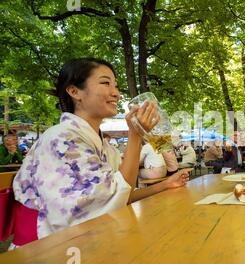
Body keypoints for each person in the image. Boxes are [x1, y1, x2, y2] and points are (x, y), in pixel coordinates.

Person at [11, 58, 190, 246]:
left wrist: (165, 185)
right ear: (74, 91)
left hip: (84, 239)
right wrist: (135, 135)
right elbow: (105, 201)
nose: (116, 93)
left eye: (116, 86)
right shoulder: (61, 139)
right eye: (105, 83)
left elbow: (119, 195)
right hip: (44, 249)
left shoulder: (105, 147)